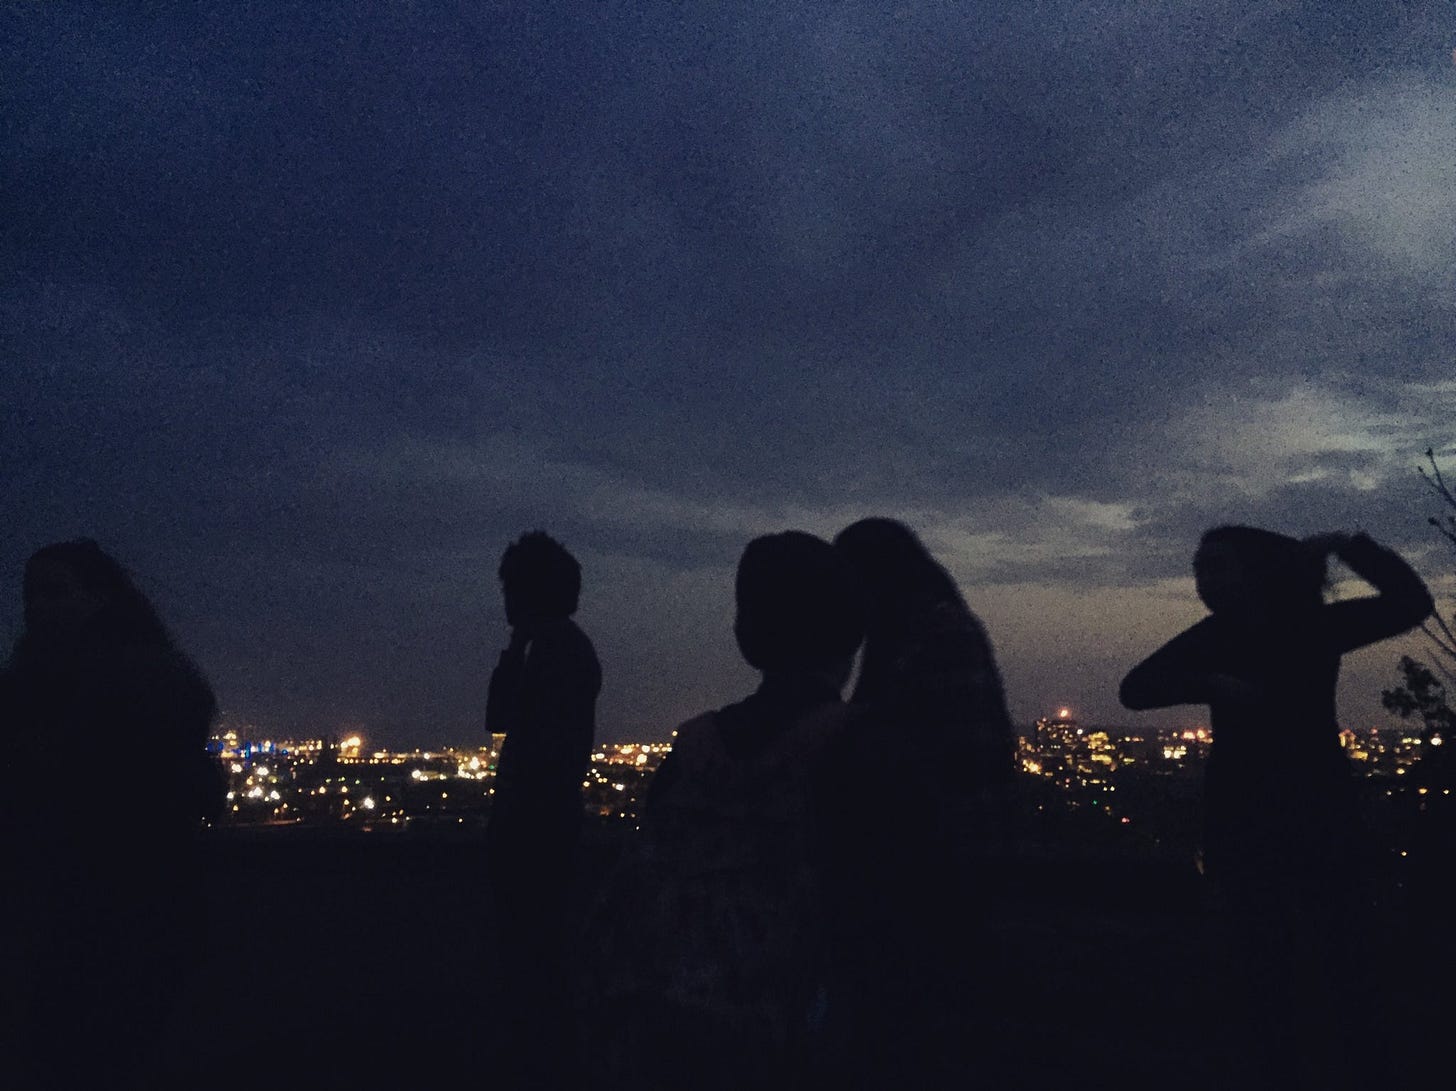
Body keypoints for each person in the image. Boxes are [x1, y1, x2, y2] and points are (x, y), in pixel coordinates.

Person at [1120, 526, 1433, 1090]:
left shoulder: (1285, 628)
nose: (1204, 583)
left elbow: (1413, 604)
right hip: (1278, 806)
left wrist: (1348, 544)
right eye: (1200, 571)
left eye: (1217, 568)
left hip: (1290, 806)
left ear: (1254, 572)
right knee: (1290, 955)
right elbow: (1135, 689)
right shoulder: (1283, 631)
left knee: (1316, 954)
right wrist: (1212, 683)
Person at [583, 531, 864, 1090]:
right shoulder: (859, 750)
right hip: (787, 1048)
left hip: (657, 1039)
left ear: (746, 636)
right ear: (852, 633)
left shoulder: (692, 752)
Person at [1, 539, 221, 1089]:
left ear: (98, 598)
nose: (37, 607)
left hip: (109, 905)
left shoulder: (84, 683)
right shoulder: (149, 675)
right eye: (31, 594)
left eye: (54, 592)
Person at [824, 517, 1017, 1088]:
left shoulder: (933, 634)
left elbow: (953, 757)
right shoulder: (921, 631)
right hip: (935, 859)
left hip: (936, 861)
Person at [483, 530, 601, 1088]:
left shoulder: (552, 651)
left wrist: (514, 647)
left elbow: (500, 716)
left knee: (532, 963)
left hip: (534, 830)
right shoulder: (566, 647)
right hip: (548, 826)